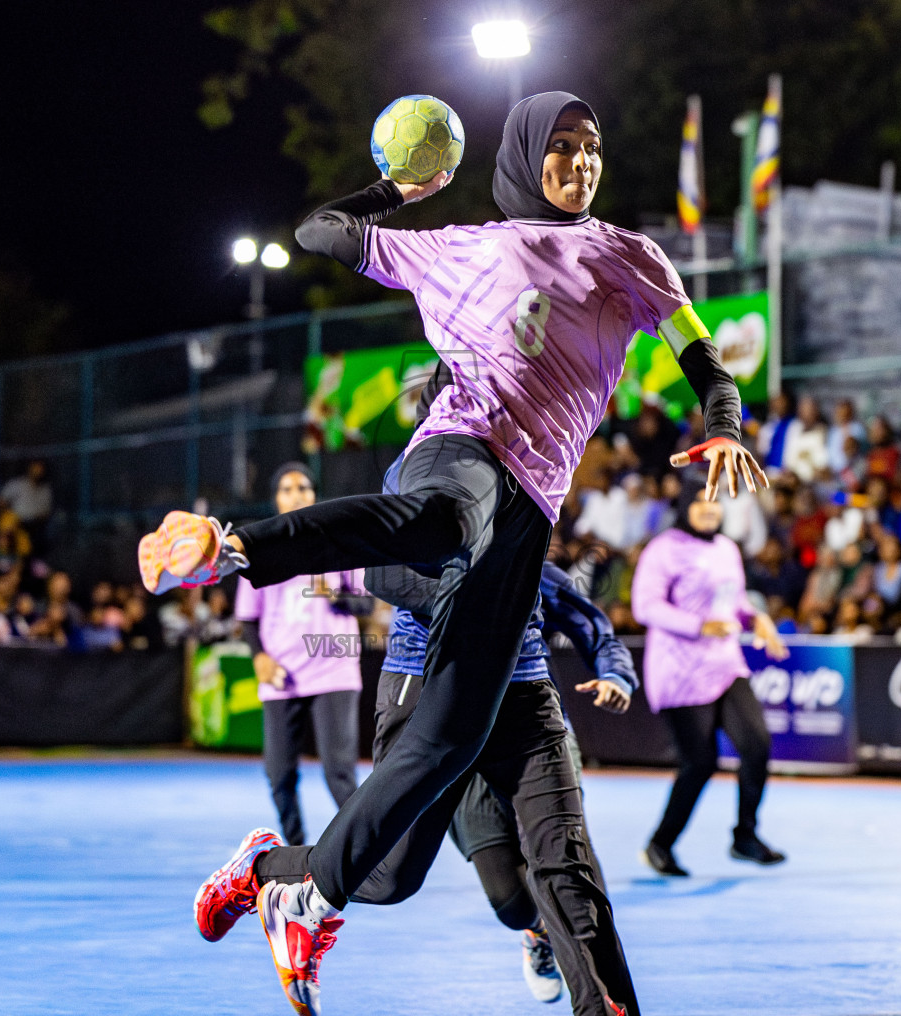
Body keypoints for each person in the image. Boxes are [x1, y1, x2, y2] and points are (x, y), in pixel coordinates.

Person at [176, 92, 762, 1016]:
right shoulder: (457, 245)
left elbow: (706, 360)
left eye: (592, 147)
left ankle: (282, 875)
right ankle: (235, 546)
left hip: (528, 515)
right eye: (562, 148)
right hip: (459, 456)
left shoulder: (627, 254)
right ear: (527, 156)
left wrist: (724, 425)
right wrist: (401, 189)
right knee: (446, 527)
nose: (580, 163)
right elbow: (320, 232)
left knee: (430, 796)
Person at [353, 387, 639, 1006]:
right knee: (490, 895)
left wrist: (617, 674)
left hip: (522, 705)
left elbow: (594, 626)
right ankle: (532, 932)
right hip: (438, 701)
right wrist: (472, 590)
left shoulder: (531, 496)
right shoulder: (415, 473)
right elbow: (380, 573)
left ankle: (595, 990)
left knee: (566, 870)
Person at [632, 479, 789, 874]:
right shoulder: (663, 549)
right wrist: (698, 625)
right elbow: (645, 606)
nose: (708, 510)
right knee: (700, 763)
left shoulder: (726, 548)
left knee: (756, 744)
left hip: (724, 663)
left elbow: (733, 601)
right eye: (699, 503)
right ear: (684, 507)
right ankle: (660, 845)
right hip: (680, 670)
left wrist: (758, 617)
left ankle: (745, 837)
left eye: (713, 503)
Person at [235, 462, 367, 848]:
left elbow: (365, 605)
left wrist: (337, 596)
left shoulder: (337, 543)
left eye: (304, 487)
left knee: (339, 772)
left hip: (333, 670)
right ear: (276, 499)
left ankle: (360, 850)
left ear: (314, 496)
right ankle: (296, 849)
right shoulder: (259, 550)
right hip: (282, 674)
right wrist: (259, 657)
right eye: (287, 488)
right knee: (278, 774)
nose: (297, 494)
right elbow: (248, 620)